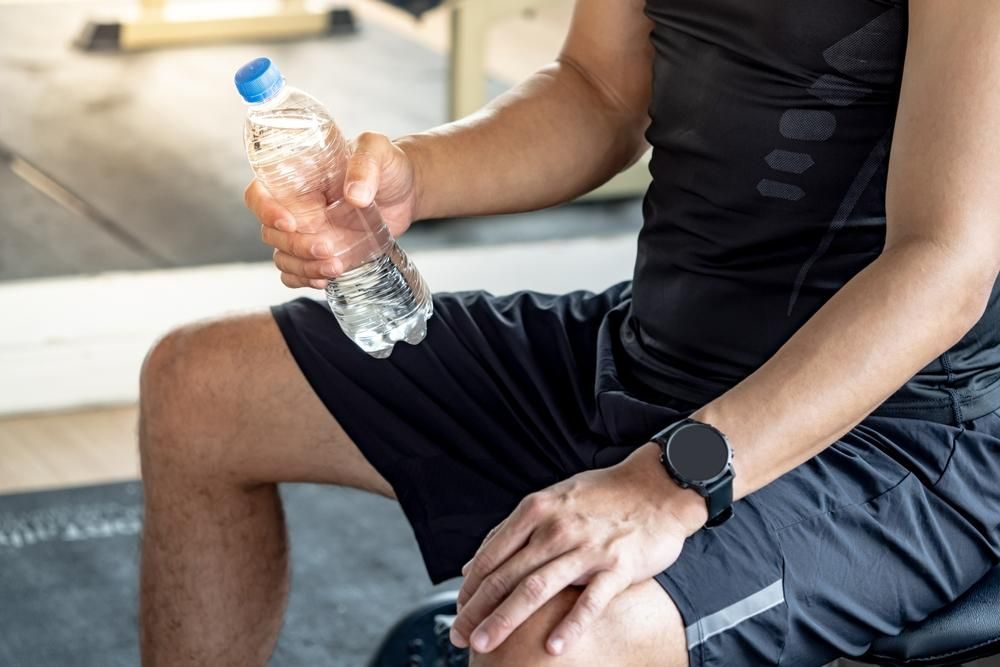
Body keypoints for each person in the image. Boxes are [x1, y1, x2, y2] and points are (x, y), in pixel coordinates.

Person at [137, 0, 1000, 665]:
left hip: (895, 434)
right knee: (200, 387)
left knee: (550, 640)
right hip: (646, 352)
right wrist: (414, 178)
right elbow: (599, 91)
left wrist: (673, 478)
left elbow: (945, 263)